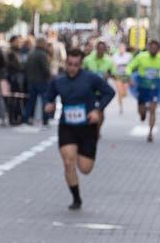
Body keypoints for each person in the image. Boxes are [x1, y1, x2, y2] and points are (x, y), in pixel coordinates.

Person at [42, 49, 115, 210]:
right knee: (68, 162)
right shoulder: (58, 81)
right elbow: (48, 96)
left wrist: (98, 109)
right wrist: (48, 104)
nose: (72, 68)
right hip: (67, 126)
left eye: (75, 65)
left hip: (87, 128)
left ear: (80, 64)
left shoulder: (91, 79)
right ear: (65, 63)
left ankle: (84, 158)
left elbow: (109, 92)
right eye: (69, 64)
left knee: (85, 168)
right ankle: (76, 199)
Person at [126, 39, 160, 143]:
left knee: (153, 109)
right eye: (152, 48)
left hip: (155, 86)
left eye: (156, 48)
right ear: (148, 48)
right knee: (142, 112)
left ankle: (150, 133)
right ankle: (143, 113)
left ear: (158, 49)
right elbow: (129, 67)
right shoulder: (141, 57)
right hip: (143, 86)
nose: (153, 50)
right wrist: (130, 78)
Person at [25, 38, 53, 125]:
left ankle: (27, 118)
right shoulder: (42, 54)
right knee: (45, 100)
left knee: (31, 102)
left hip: (31, 80)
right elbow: (45, 69)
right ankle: (45, 119)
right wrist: (50, 77)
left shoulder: (31, 53)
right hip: (42, 81)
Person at [112, 42, 133, 114]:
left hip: (126, 75)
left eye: (123, 48)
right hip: (118, 75)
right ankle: (121, 107)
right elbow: (113, 65)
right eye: (120, 48)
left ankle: (121, 97)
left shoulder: (129, 55)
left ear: (125, 49)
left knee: (124, 93)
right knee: (120, 92)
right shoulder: (115, 56)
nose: (121, 49)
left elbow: (131, 65)